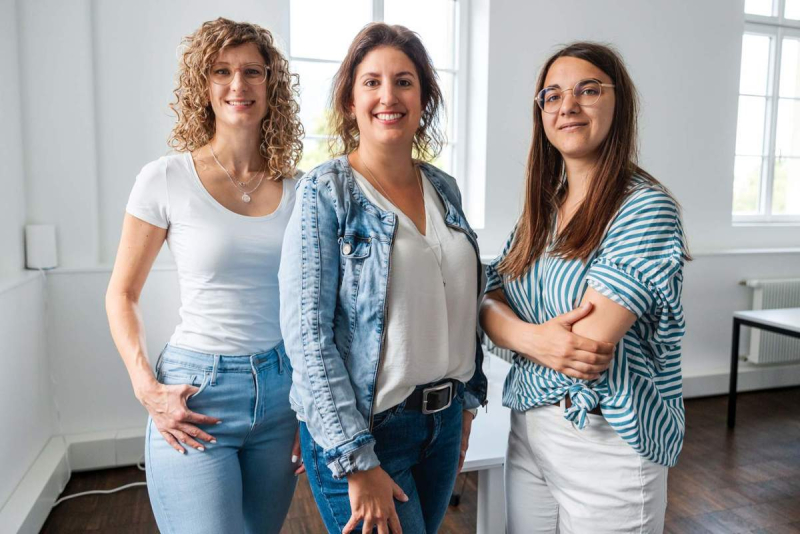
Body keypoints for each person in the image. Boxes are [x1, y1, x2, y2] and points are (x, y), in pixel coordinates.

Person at [279, 22, 487, 534]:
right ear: (350, 101)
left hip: (441, 425)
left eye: (404, 81)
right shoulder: (326, 191)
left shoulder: (443, 187)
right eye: (371, 82)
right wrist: (355, 457)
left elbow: (462, 305)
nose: (388, 96)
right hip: (368, 433)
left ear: (424, 99)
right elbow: (308, 337)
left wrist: (464, 406)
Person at [480, 42, 690, 533]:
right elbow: (487, 295)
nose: (567, 106)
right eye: (552, 96)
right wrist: (534, 338)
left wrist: (507, 328)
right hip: (529, 427)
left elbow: (583, 348)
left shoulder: (644, 208)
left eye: (588, 90)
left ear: (620, 103)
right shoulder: (543, 211)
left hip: (606, 440)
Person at [105, 18, 303, 534]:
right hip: (197, 393)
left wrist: (310, 406)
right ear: (204, 85)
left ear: (272, 85)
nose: (238, 85)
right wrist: (146, 387)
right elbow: (122, 294)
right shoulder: (165, 178)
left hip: (282, 393)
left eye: (253, 71)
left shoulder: (300, 190)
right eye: (222, 71)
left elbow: (315, 307)